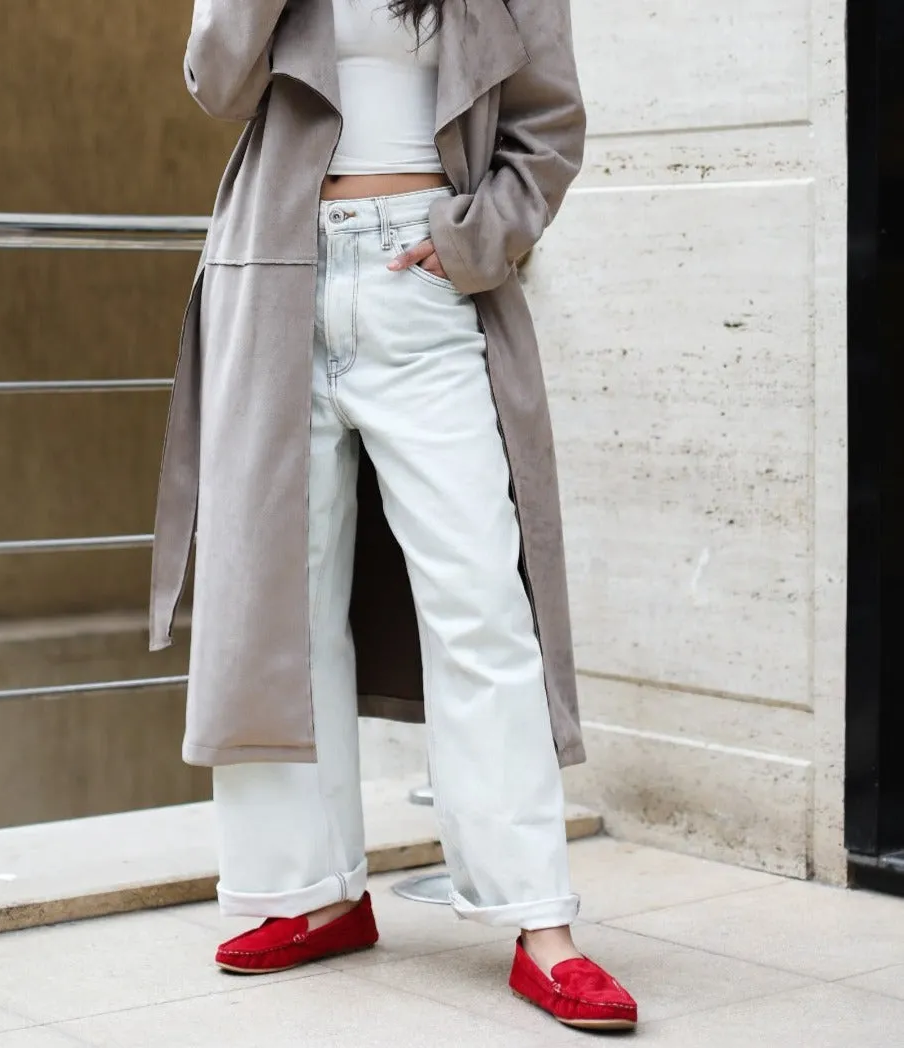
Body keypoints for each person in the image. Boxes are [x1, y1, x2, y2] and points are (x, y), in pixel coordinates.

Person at [149, 0, 637, 1032]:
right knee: (279, 602)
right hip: (276, 276)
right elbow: (215, 85)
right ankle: (311, 893)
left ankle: (537, 920)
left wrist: (472, 240)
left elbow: (547, 127)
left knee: (480, 602)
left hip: (423, 283)